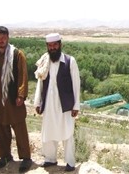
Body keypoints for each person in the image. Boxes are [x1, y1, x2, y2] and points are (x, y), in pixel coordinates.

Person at [0, 26, 32, 172]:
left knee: (19, 128)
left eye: (3, 38)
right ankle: (5, 156)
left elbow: (23, 75)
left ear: (8, 38)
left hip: (13, 99)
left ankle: (26, 158)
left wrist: (21, 95)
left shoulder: (17, 54)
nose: (1, 41)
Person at [34, 33, 80, 172]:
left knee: (67, 133)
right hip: (48, 103)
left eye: (55, 45)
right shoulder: (44, 61)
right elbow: (40, 83)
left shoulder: (70, 61)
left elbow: (76, 84)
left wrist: (76, 105)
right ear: (47, 46)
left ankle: (70, 163)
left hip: (65, 104)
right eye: (50, 45)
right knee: (48, 131)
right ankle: (50, 159)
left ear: (60, 45)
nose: (52, 48)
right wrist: (37, 102)